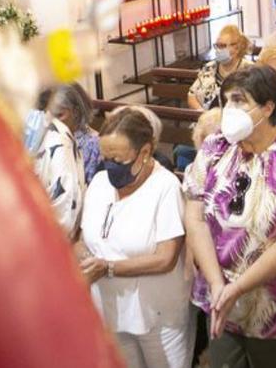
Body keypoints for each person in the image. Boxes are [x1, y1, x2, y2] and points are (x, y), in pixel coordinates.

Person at [182, 66, 276, 367]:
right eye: (226, 101)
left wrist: (237, 287)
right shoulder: (216, 146)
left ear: (268, 107)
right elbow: (195, 217)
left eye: (239, 100)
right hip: (221, 296)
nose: (229, 110)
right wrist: (217, 284)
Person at [77, 108, 192, 368]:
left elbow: (165, 258)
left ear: (145, 152)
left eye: (118, 160)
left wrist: (108, 267)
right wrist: (82, 257)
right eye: (106, 158)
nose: (110, 167)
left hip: (157, 316)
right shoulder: (99, 183)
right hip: (110, 310)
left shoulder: (165, 188)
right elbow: (85, 239)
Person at [34, 84, 90, 241]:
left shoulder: (35, 132)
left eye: (59, 115)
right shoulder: (61, 141)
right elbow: (66, 205)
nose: (53, 121)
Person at [188, 25, 251, 110]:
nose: (218, 50)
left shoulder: (249, 70)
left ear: (236, 48)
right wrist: (203, 113)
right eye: (217, 46)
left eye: (222, 46)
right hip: (205, 118)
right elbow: (191, 95)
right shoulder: (209, 67)